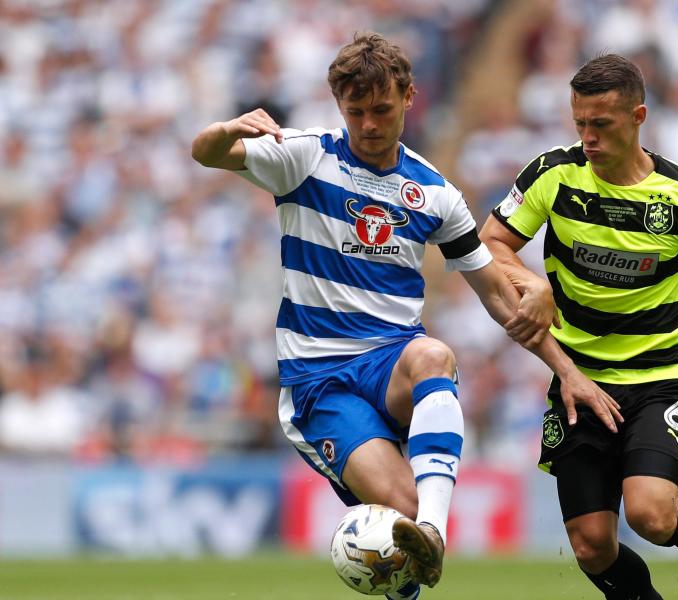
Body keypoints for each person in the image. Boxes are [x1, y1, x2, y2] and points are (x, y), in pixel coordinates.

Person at [191, 32, 620, 599]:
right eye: (356, 111)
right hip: (322, 382)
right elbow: (205, 153)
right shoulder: (304, 156)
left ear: (410, 96)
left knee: (434, 355)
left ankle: (434, 535)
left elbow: (494, 291)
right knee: (401, 515)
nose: (369, 124)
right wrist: (226, 130)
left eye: (382, 109)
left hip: (392, 362)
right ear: (339, 104)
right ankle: (418, 543)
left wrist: (564, 369)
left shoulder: (434, 192)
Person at [479, 54, 678, 600]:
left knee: (651, 516)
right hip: (578, 376)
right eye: (580, 124)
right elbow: (493, 244)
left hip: (659, 374)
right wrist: (534, 284)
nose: (588, 138)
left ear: (638, 116)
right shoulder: (554, 173)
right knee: (591, 546)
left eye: (602, 124)